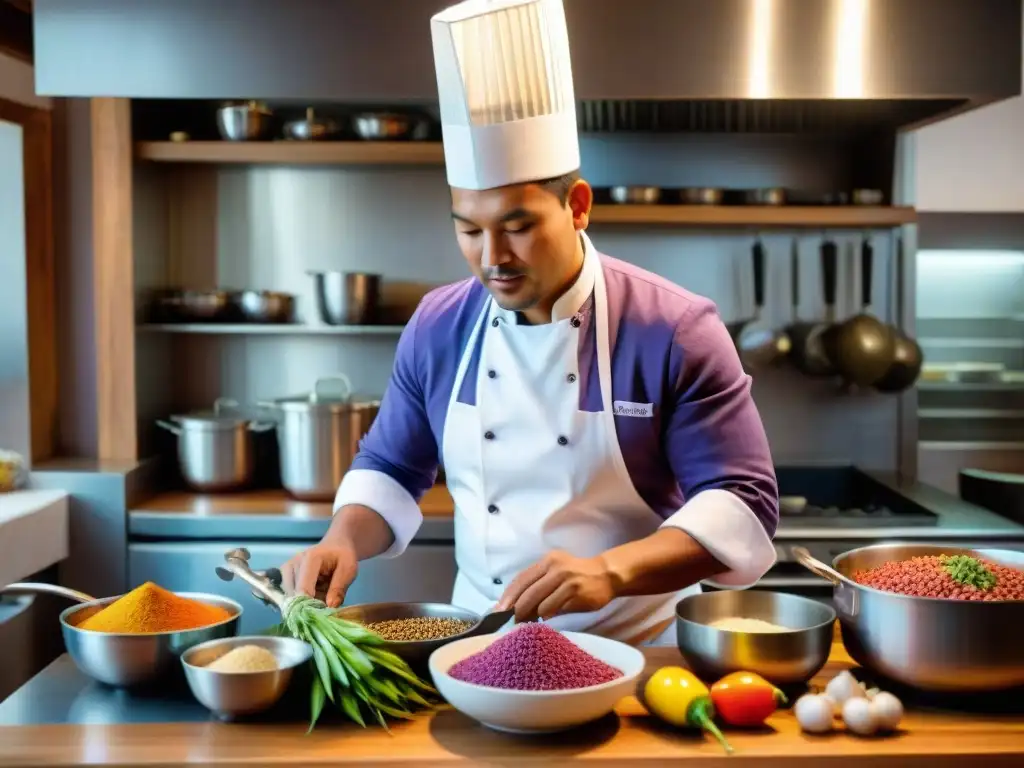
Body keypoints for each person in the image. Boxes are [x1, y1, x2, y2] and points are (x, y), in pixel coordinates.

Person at [281, 0, 779, 646]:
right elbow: (390, 468)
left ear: (576, 207)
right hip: (479, 650)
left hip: (641, 657)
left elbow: (743, 503)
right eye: (469, 230)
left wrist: (611, 571)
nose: (493, 259)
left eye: (517, 227)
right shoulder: (438, 328)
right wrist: (343, 538)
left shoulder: (673, 330)